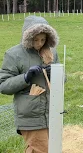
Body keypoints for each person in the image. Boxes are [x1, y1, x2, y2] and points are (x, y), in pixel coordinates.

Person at [0, 15, 59, 153]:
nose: (39, 43)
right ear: (28, 37)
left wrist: (55, 74)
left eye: (43, 40)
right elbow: (3, 85)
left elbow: (63, 79)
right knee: (41, 149)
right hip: (30, 115)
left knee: (51, 149)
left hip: (52, 112)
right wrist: (25, 77)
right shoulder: (14, 54)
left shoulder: (51, 52)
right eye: (36, 40)